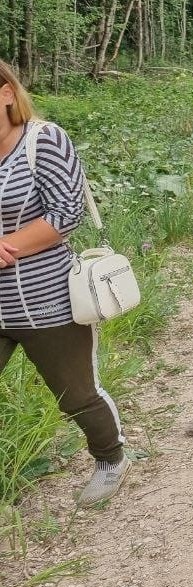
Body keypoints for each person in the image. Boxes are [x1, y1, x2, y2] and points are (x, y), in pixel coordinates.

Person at [0, 60, 130, 506]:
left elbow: (63, 213)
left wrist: (7, 245)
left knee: (76, 394)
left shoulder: (43, 140)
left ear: (6, 94)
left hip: (47, 299)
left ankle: (111, 459)